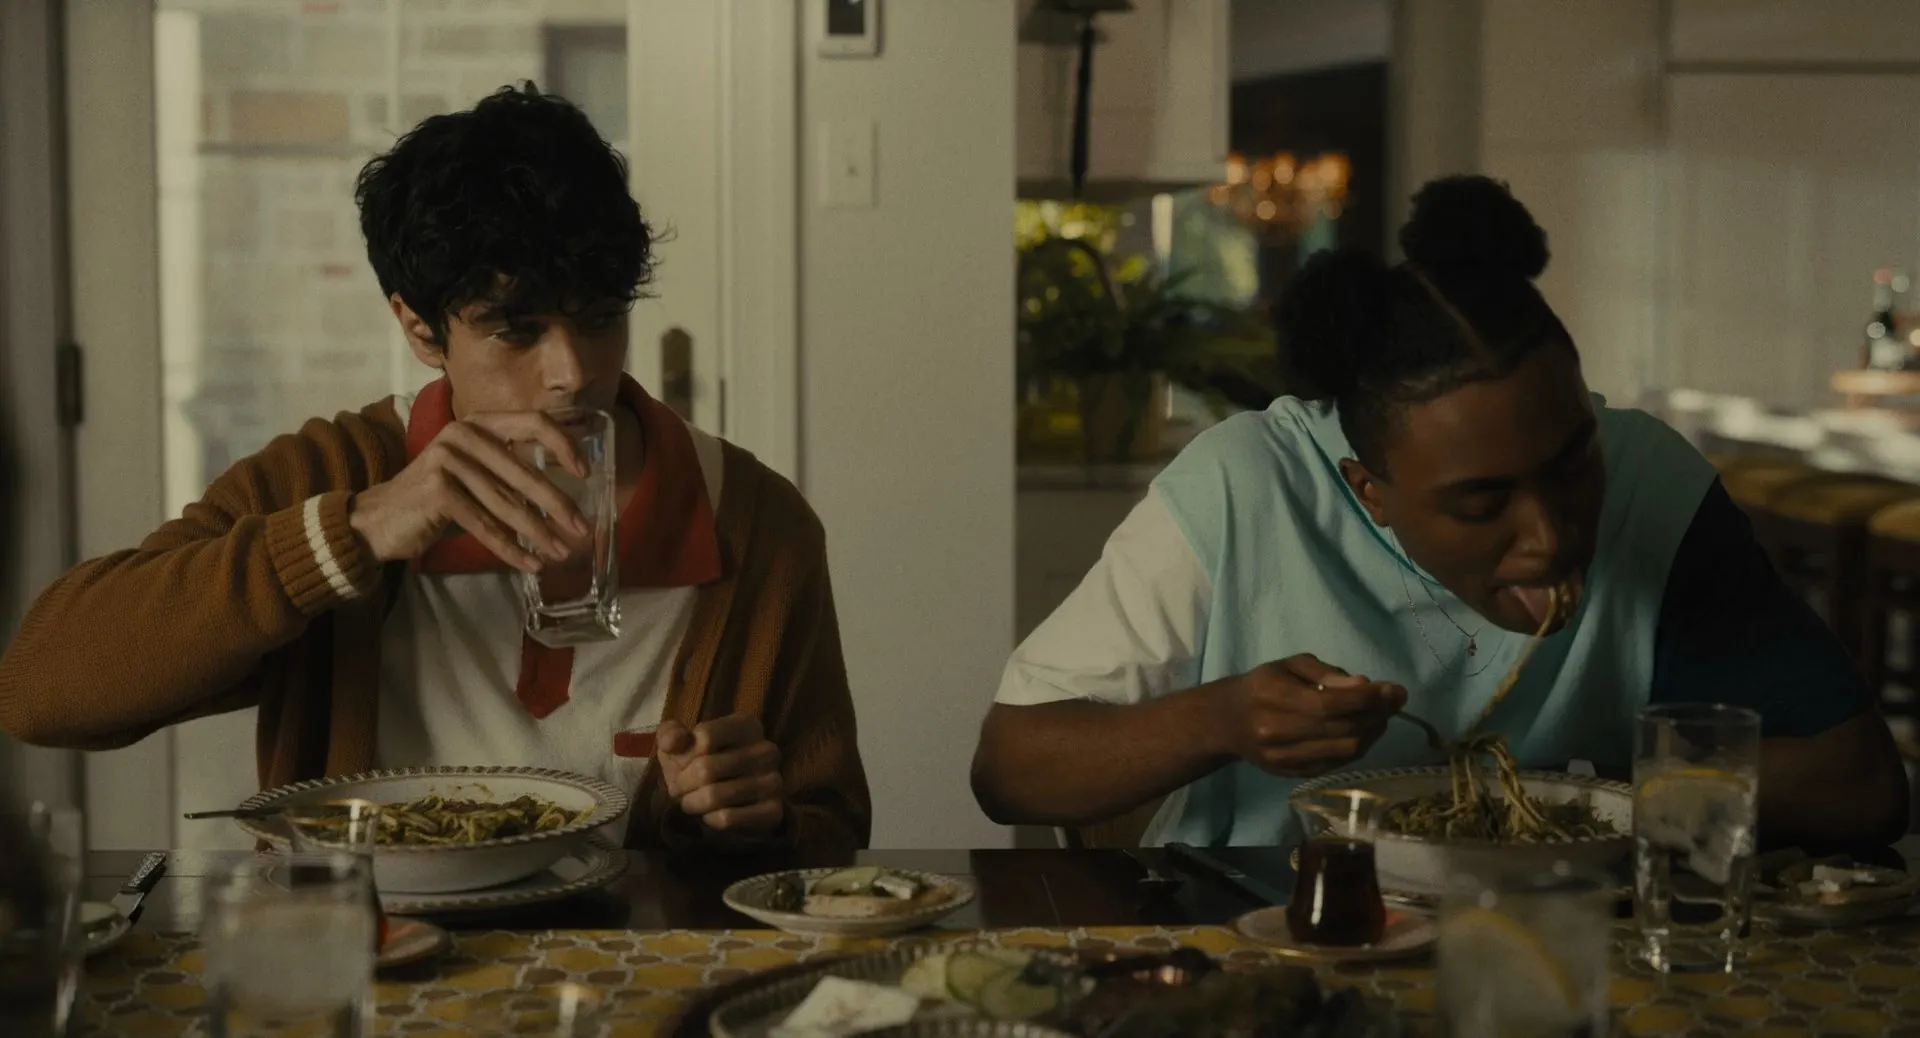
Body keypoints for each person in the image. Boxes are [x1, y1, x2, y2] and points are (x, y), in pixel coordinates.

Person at [0, 85, 870, 857]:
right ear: (419, 329)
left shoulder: (757, 522)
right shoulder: (334, 472)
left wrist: (746, 818)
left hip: (628, 964)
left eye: (602, 317)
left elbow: (829, 830)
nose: (571, 371)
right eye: (517, 330)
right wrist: (354, 532)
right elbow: (38, 691)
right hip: (374, 955)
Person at [973, 176, 1908, 848]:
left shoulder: (1651, 482)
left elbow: (1861, 785)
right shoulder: (1244, 486)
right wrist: (1219, 720)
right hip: (1265, 937)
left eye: (1572, 467)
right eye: (1481, 502)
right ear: (1368, 490)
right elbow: (1012, 769)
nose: (1549, 535)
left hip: (1564, 937)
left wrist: (1578, 801)